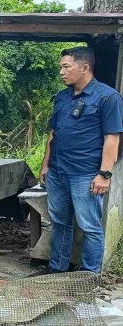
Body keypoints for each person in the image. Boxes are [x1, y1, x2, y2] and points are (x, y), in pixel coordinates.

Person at [35, 46, 123, 275]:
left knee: (89, 226)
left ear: (84, 68)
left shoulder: (107, 97)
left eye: (66, 67)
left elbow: (112, 139)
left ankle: (88, 277)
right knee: (60, 222)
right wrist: (46, 165)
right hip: (58, 171)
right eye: (60, 67)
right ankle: (57, 270)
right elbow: (53, 134)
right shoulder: (62, 97)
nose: (62, 72)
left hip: (85, 173)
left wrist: (104, 174)